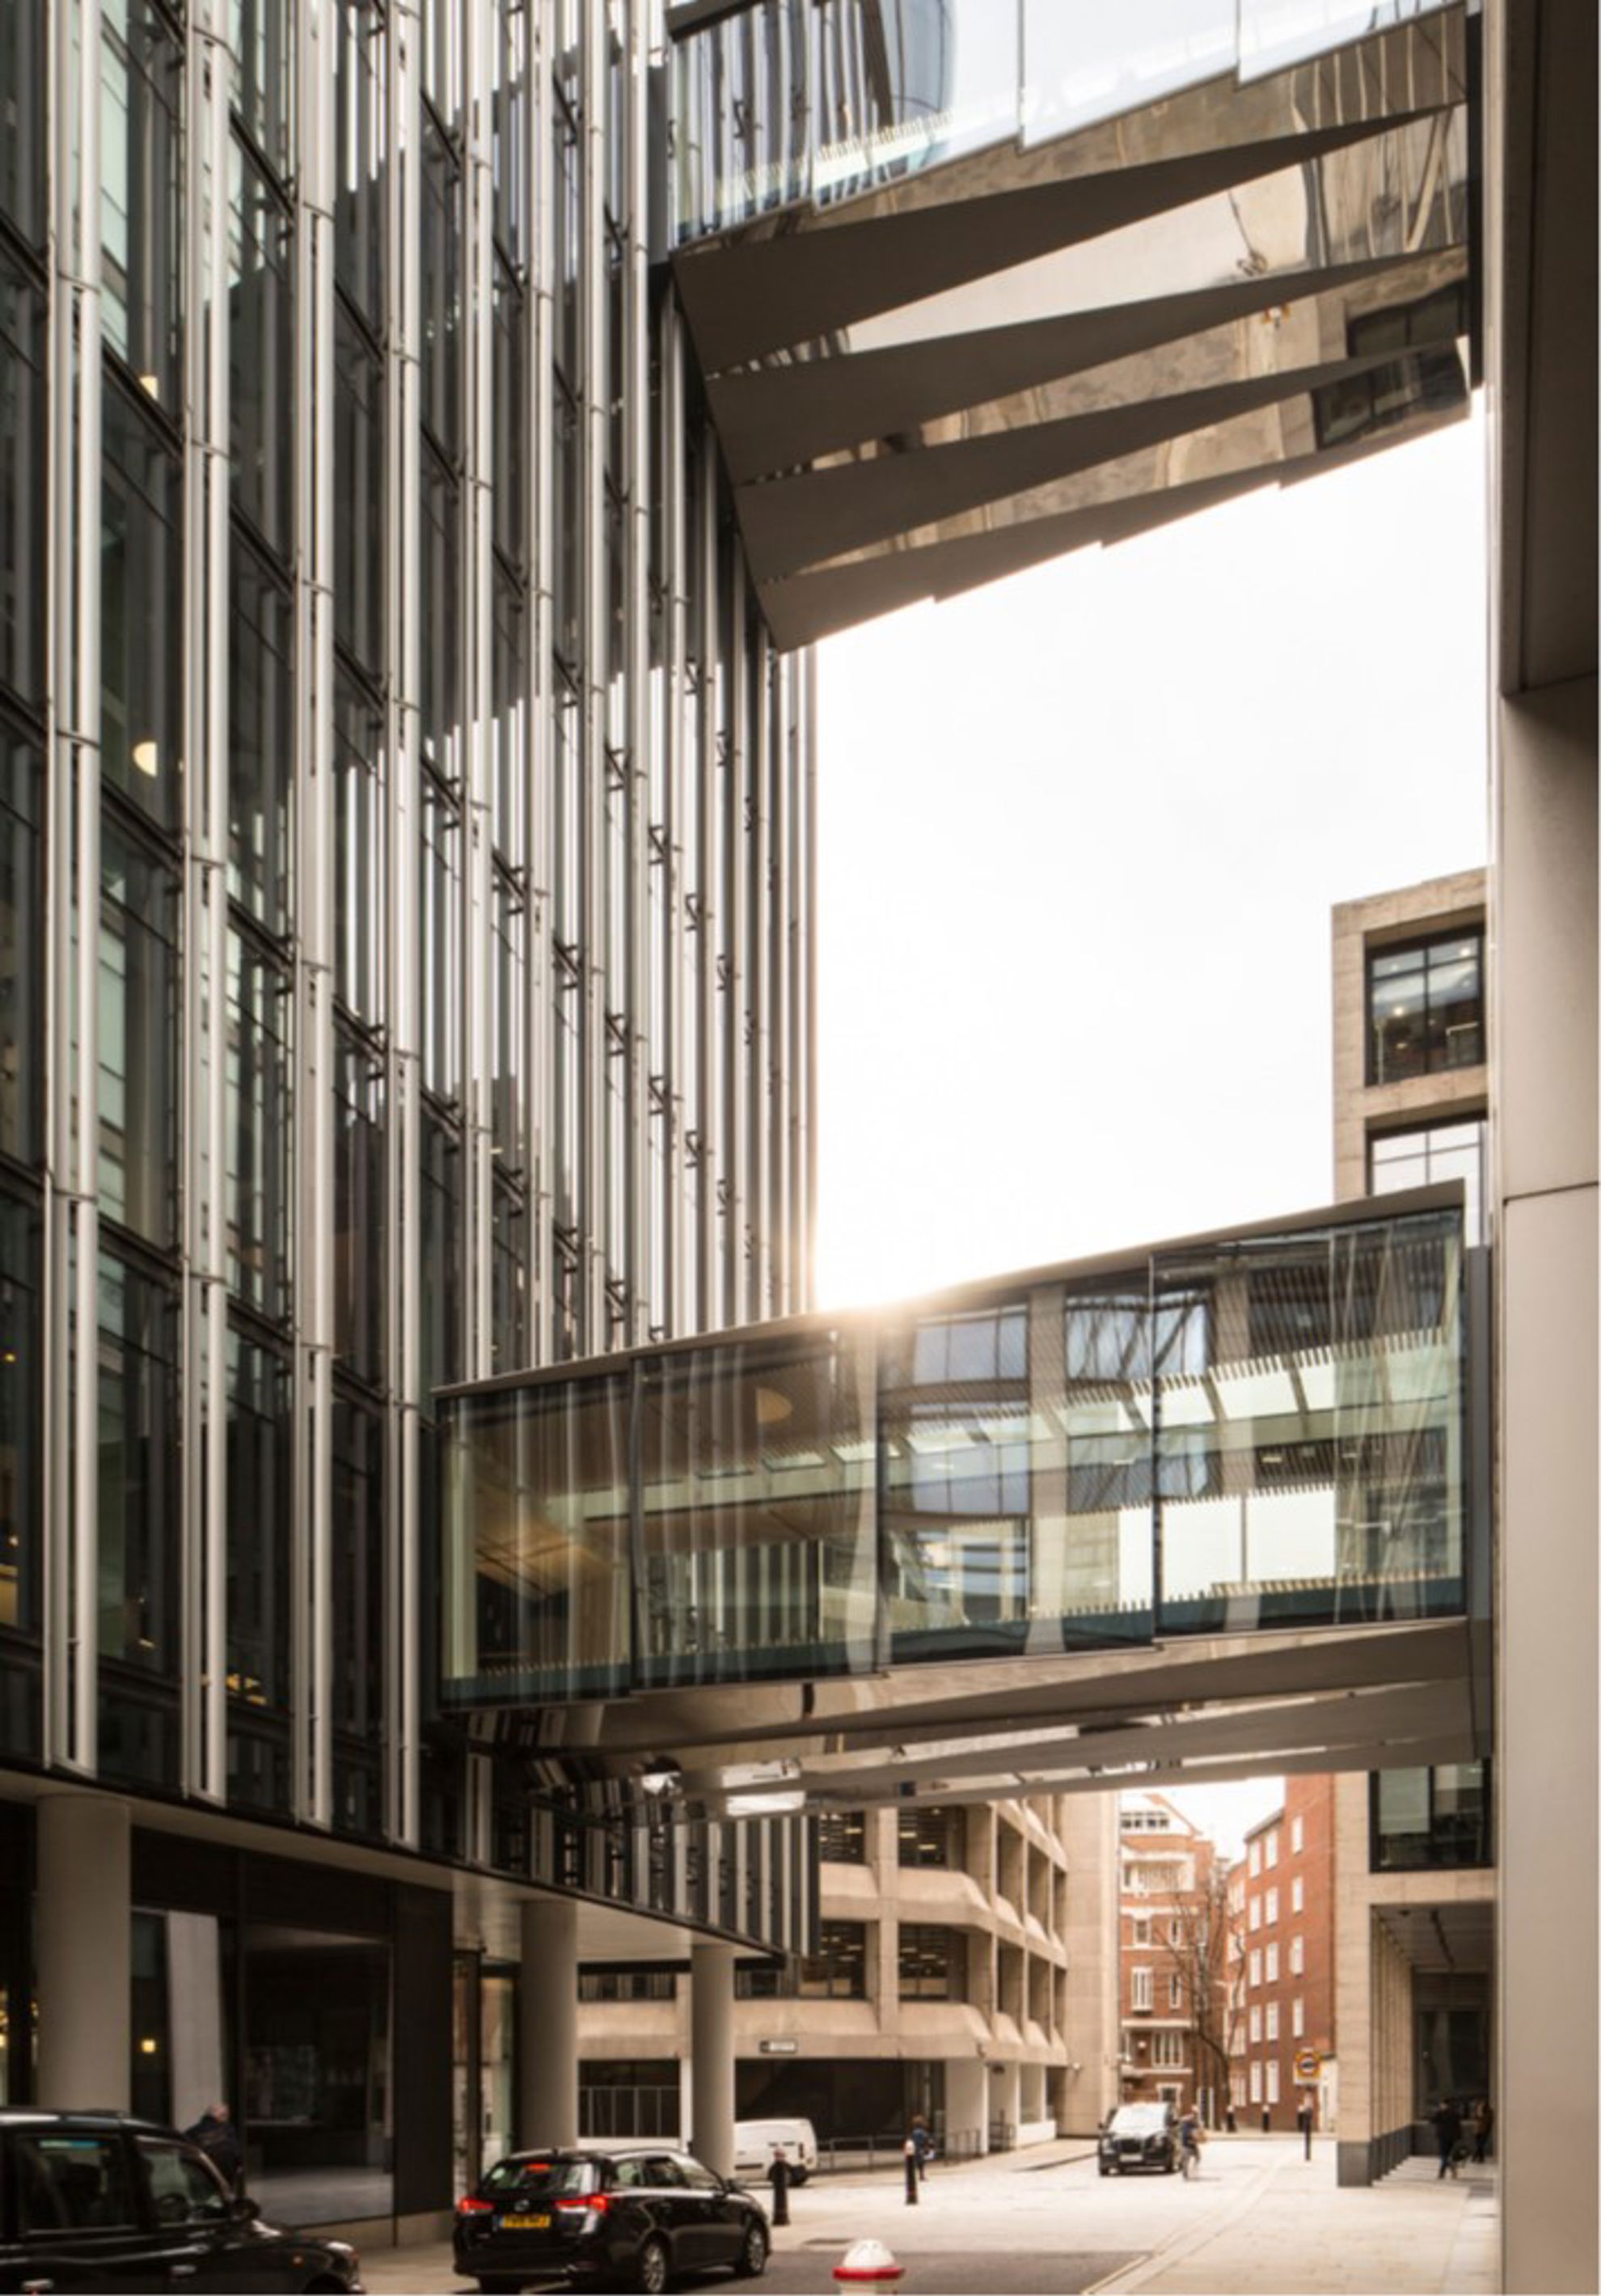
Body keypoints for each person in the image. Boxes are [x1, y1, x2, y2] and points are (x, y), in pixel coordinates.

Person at [184, 2102, 243, 2192]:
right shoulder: (227, 2130)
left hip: (199, 2178)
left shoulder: (190, 2132)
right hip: (223, 2179)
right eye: (226, 2116)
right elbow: (236, 2154)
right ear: (222, 2116)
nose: (226, 2119)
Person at [1431, 2097, 1463, 2180]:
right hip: (1451, 2137)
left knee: (1444, 2156)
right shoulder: (1455, 2113)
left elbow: (1432, 2120)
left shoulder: (1441, 2113)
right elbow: (1458, 2126)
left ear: (1445, 2105)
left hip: (1444, 2137)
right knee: (1446, 2156)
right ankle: (1444, 2172)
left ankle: (1444, 2172)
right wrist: (1459, 2137)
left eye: (1441, 2104)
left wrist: (1438, 2112)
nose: (1440, 2106)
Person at [1177, 2104, 1202, 2180]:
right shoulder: (1190, 2120)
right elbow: (1192, 2132)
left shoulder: (1193, 2121)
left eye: (1197, 2113)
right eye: (1196, 2113)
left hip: (1189, 2142)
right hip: (1187, 2142)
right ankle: (1186, 2173)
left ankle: (1189, 2172)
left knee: (1196, 2157)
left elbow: (1198, 2131)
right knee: (1187, 2159)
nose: (1196, 2114)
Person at [909, 2114, 933, 2178]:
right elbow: (927, 2140)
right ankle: (921, 2175)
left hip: (914, 2148)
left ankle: (914, 2175)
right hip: (921, 2149)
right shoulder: (923, 2132)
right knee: (921, 2163)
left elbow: (911, 2140)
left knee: (914, 2162)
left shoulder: (913, 2132)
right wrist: (928, 2147)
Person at [1472, 2098, 1494, 2163]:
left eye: (1482, 2104)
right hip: (1477, 2130)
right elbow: (1475, 2118)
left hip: (1485, 2131)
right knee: (1479, 2145)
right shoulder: (1478, 2110)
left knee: (1480, 2145)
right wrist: (1478, 2113)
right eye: (1480, 2104)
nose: (1481, 2105)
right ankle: (1481, 2159)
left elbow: (1489, 2121)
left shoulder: (1489, 2112)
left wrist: (1481, 2115)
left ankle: (1475, 2156)